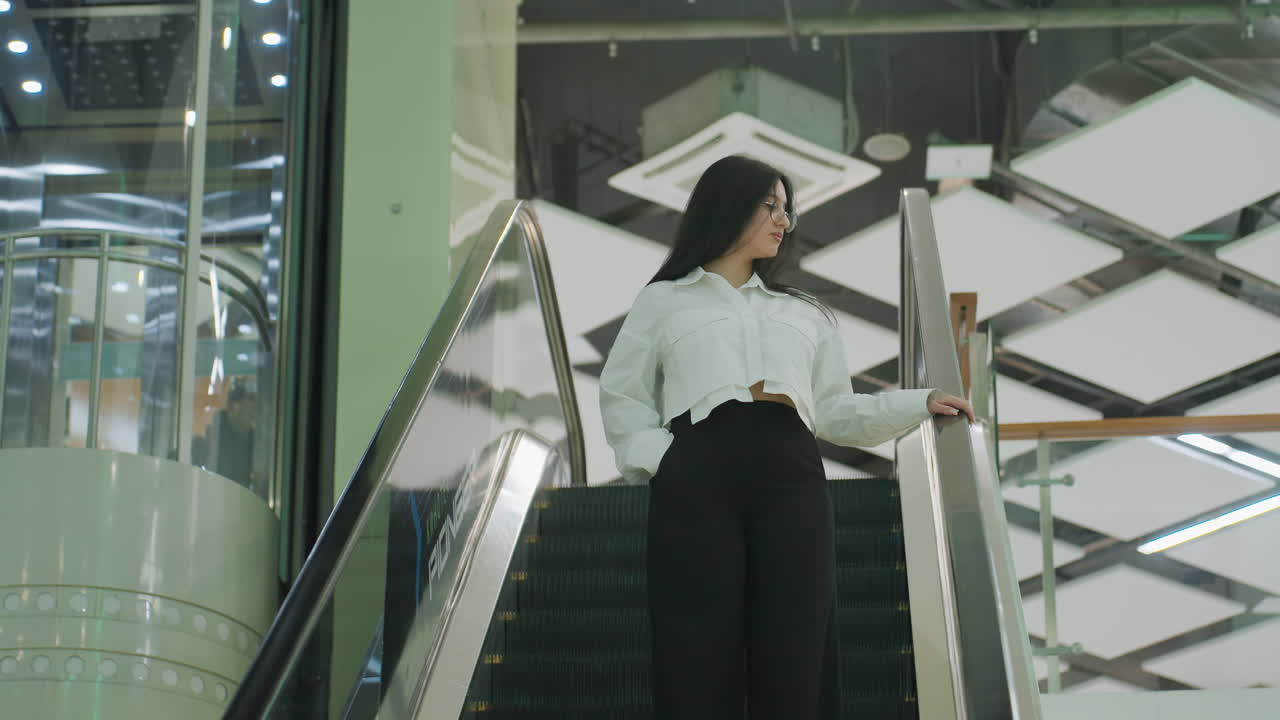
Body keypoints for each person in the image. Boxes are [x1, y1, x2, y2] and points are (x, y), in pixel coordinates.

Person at [597, 155, 974, 720]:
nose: (783, 220)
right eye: (770, 205)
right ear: (727, 205)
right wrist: (663, 460)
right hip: (696, 470)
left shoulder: (805, 313)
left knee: (796, 636)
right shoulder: (664, 300)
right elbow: (623, 393)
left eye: (786, 209)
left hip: (790, 470)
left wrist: (918, 403)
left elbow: (834, 412)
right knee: (695, 636)